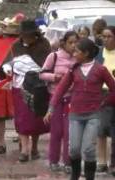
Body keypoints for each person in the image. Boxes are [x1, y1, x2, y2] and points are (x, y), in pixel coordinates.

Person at [45, 38, 115, 180]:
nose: (74, 53)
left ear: (86, 53)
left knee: (89, 149)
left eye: (77, 51)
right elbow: (60, 89)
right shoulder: (73, 69)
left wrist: (104, 102)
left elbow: (113, 89)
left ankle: (89, 177)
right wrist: (51, 108)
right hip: (75, 115)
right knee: (74, 149)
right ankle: (75, 176)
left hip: (94, 115)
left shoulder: (100, 70)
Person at [0, 19, 51, 162]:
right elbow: (8, 63)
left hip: (38, 87)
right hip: (20, 87)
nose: (26, 38)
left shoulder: (44, 45)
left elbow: (46, 65)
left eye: (29, 35)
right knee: (22, 118)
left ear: (35, 34)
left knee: (35, 119)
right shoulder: (16, 46)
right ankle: (24, 150)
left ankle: (34, 147)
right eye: (24, 35)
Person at [40, 31, 79, 173]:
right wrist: (54, 77)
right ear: (64, 43)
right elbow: (41, 73)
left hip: (72, 99)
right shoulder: (54, 56)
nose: (74, 46)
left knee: (69, 132)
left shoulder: (78, 58)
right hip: (55, 98)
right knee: (56, 131)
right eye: (71, 42)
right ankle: (53, 160)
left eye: (76, 42)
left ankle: (68, 162)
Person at [0, 15, 22, 154]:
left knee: (20, 114)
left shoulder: (23, 47)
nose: (11, 37)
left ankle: (22, 140)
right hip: (2, 83)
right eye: (9, 34)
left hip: (18, 83)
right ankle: (1, 143)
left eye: (14, 34)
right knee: (0, 116)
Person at [97, 26, 115, 175]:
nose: (106, 39)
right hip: (102, 94)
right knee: (101, 129)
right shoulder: (98, 54)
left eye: (109, 36)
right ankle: (101, 162)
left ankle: (113, 163)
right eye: (103, 36)